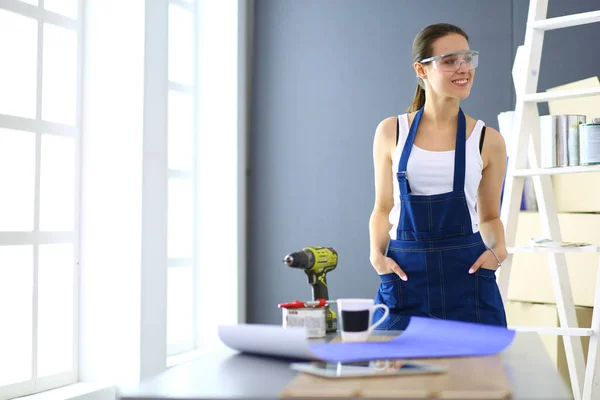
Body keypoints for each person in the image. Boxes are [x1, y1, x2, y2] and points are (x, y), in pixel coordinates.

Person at [369, 23, 508, 330]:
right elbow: (382, 207)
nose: (463, 68)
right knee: (395, 373)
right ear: (421, 69)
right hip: (406, 282)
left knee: (477, 376)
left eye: (467, 58)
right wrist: (377, 257)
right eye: (449, 61)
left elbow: (489, 217)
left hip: (469, 283)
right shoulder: (391, 132)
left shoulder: (489, 140)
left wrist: (498, 252)